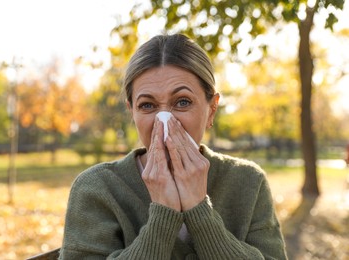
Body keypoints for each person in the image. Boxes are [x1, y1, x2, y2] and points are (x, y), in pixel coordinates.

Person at [59, 34, 287, 259]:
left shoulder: (249, 182)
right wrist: (163, 215)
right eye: (147, 105)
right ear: (132, 112)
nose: (164, 121)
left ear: (212, 110)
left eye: (183, 102)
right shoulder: (97, 188)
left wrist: (199, 210)